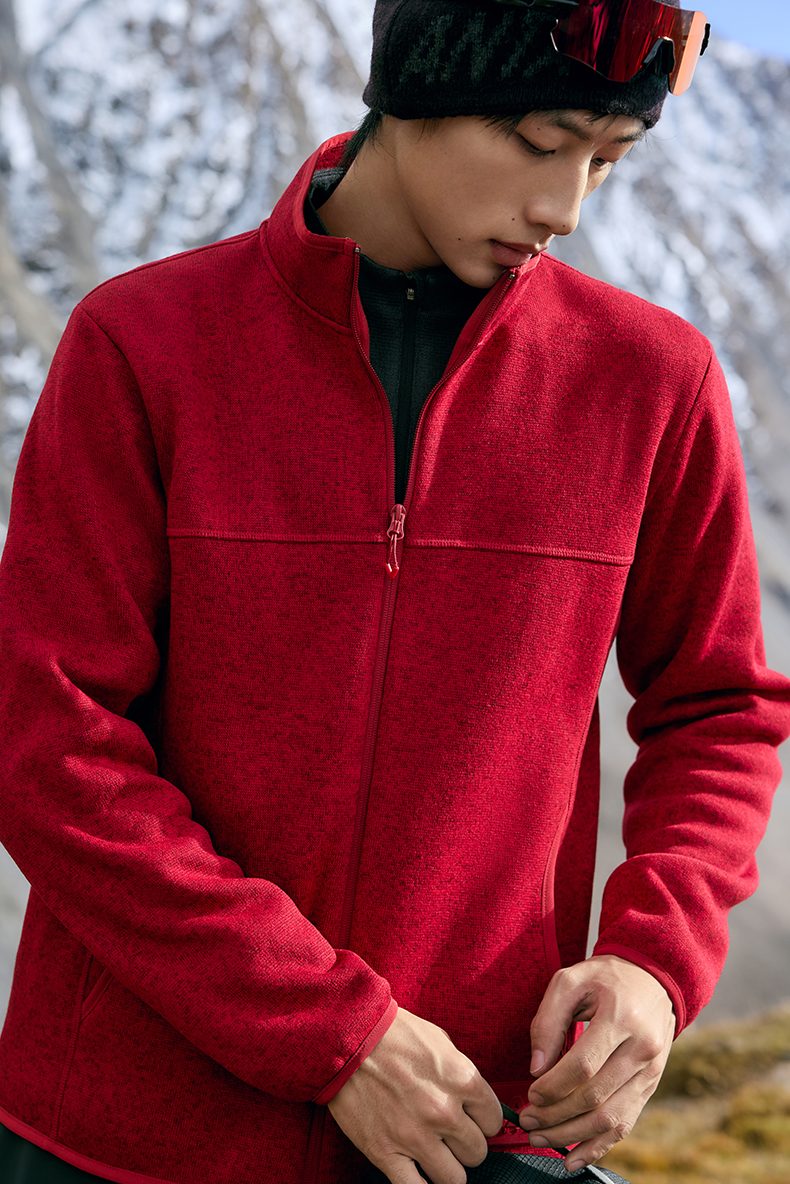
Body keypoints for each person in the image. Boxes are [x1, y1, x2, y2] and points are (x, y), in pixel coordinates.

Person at [0, 1, 788, 1182]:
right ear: (415, 87)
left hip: (469, 1128)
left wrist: (652, 960)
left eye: (607, 160)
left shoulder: (651, 382)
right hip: (115, 1139)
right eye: (540, 141)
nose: (565, 206)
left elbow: (717, 706)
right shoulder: (142, 346)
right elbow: (48, 741)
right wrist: (330, 1030)